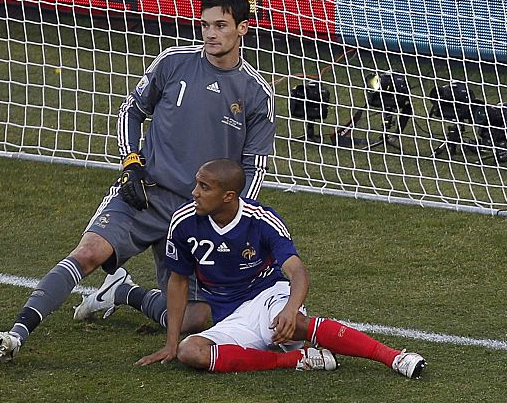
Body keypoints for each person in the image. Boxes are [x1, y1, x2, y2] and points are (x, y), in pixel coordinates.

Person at [0, 0, 275, 364]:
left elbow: (253, 168)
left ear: (243, 29)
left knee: (195, 319)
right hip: (146, 193)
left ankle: (124, 292)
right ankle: (15, 334)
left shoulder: (256, 94)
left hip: (197, 213)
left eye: (221, 25)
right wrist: (131, 164)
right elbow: (131, 111)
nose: (210, 34)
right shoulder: (173, 62)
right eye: (205, 25)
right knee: (88, 253)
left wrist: (231, 218)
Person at [129, 159, 425, 378]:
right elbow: (178, 281)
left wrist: (290, 308)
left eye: (204, 187)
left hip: (268, 296)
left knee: (294, 323)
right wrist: (171, 344)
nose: (194, 192)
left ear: (228, 196)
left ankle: (394, 357)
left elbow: (297, 272)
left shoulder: (260, 220)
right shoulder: (183, 222)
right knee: (189, 352)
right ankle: (296, 360)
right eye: (196, 184)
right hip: (229, 315)